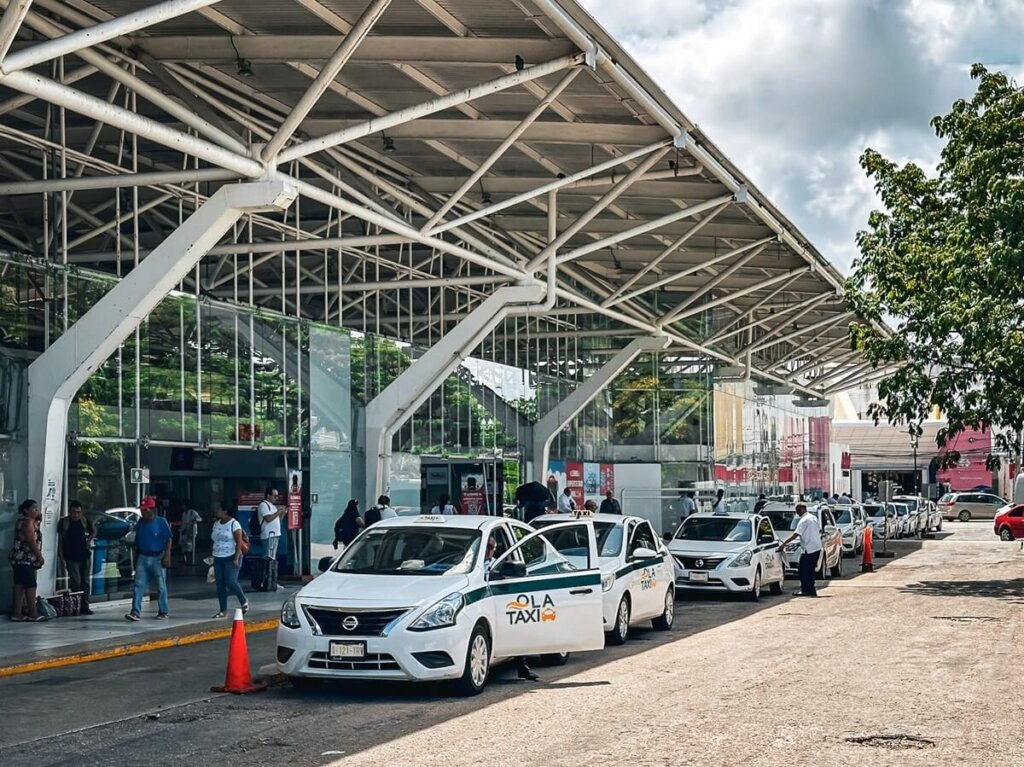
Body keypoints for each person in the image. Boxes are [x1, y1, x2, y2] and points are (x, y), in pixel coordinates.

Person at [483, 535, 538, 682]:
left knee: (518, 630)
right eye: (486, 547)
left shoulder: (498, 564)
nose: (488, 551)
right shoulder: (470, 563)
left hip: (500, 602)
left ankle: (523, 667)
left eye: (491, 548)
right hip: (483, 603)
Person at [126, 496, 173, 621]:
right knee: (138, 585)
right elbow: (138, 540)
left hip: (158, 557)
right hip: (143, 556)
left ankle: (163, 611)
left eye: (145, 510)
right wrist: (136, 558)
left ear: (152, 510)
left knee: (161, 586)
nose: (142, 512)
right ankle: (135, 611)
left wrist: (167, 556)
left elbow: (168, 539)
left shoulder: (161, 522)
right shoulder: (140, 523)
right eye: (141, 510)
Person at [210, 502, 248, 619]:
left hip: (231, 556)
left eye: (219, 509)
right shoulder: (216, 524)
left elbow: (238, 542)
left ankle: (243, 599)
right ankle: (223, 610)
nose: (217, 512)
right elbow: (213, 540)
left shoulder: (234, 524)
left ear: (225, 511)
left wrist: (236, 558)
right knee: (220, 584)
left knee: (231, 581)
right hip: (218, 556)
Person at [9, 499, 44, 622]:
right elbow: (31, 541)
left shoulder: (23, 521)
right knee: (30, 585)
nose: (36, 510)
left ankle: (17, 612)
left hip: (17, 558)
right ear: (26, 510)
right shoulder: (28, 522)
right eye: (34, 508)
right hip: (25, 558)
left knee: (19, 585)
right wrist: (39, 556)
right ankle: (33, 612)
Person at [58, 500, 94, 614]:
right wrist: (61, 557)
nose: (76, 515)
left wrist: (89, 541)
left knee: (85, 582)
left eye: (78, 512)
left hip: (84, 555)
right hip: (71, 556)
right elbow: (60, 541)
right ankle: (76, 605)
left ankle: (85, 605)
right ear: (69, 512)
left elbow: (93, 531)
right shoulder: (64, 523)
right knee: (76, 582)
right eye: (74, 512)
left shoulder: (84, 521)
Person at [779, 503, 822, 597]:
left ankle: (806, 590)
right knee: (809, 570)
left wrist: (784, 544)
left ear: (802, 509)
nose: (797, 512)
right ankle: (811, 590)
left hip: (809, 548)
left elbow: (796, 534)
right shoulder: (813, 517)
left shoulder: (804, 520)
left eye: (798, 510)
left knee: (803, 570)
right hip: (816, 547)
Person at [258, 487, 287, 562]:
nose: (276, 498)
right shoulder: (263, 505)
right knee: (268, 556)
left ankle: (270, 570)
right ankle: (267, 571)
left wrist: (282, 513)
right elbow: (268, 519)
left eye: (277, 496)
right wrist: (279, 511)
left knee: (272, 555)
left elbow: (278, 521)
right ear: (268, 495)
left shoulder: (273, 506)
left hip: (274, 534)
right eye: (275, 496)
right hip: (269, 534)